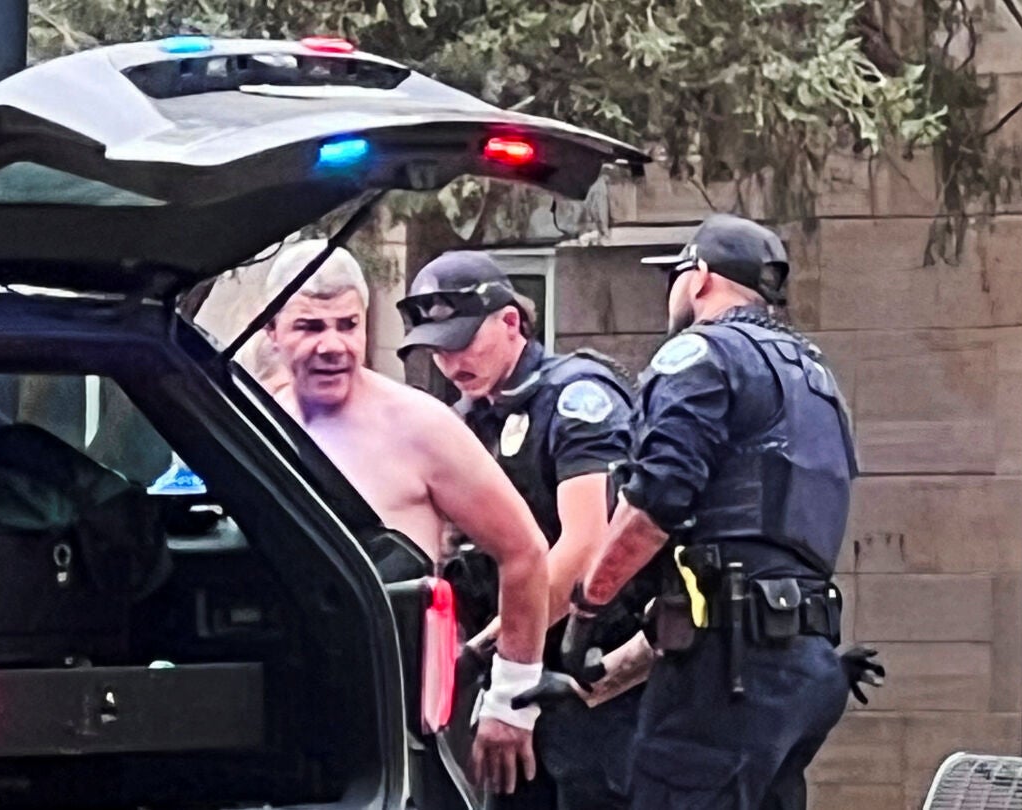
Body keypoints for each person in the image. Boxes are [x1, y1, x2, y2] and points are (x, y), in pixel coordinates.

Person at [562, 213, 860, 809]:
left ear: (699, 277)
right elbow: (728, 578)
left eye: (674, 277)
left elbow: (654, 505)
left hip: (729, 676)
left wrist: (587, 607)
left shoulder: (701, 353)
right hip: (804, 667)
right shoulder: (814, 376)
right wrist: (592, 684)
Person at [260, 239, 552, 796]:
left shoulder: (421, 426)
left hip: (401, 719)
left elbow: (525, 551)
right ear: (272, 331)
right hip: (286, 708)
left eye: (348, 325)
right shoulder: (255, 423)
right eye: (310, 327)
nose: (332, 345)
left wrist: (512, 698)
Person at [395, 251, 660, 810]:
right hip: (516, 671)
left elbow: (586, 546)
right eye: (438, 349)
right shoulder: (469, 419)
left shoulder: (576, 398)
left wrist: (486, 651)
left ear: (511, 321)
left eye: (463, 341)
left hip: (591, 674)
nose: (451, 361)